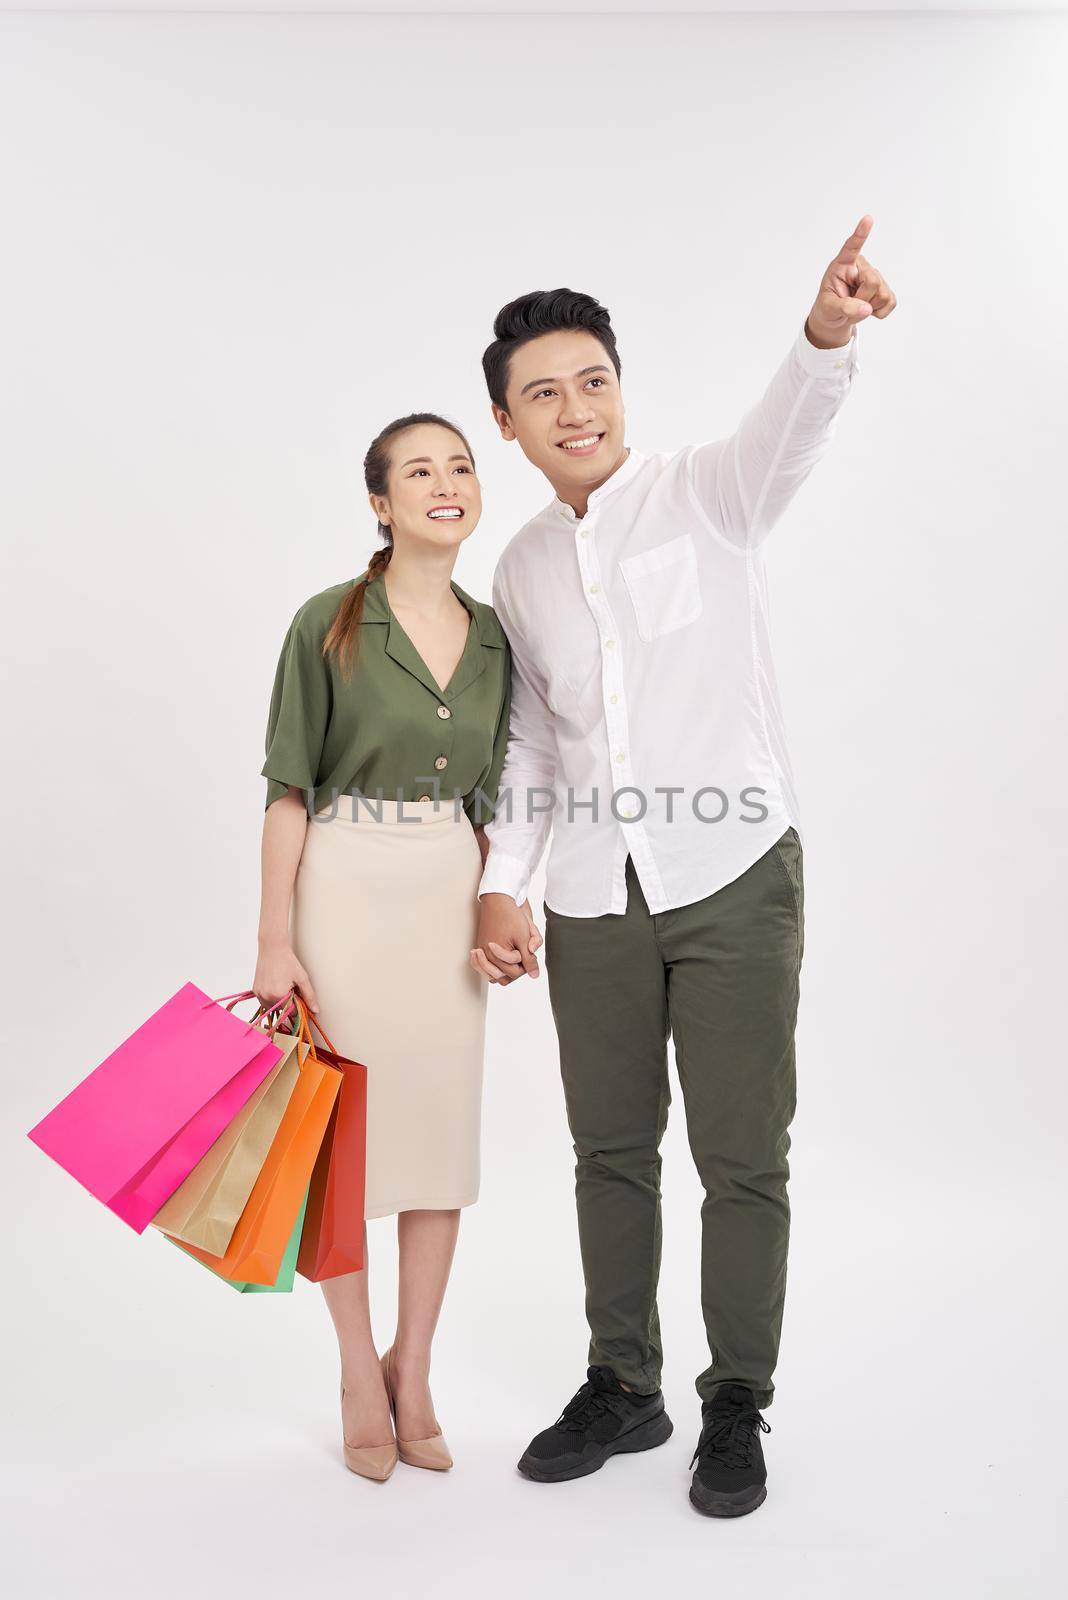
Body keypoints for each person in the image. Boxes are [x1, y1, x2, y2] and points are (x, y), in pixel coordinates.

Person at [469, 219, 896, 1515]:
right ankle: (625, 1385)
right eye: (542, 391)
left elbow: (789, 431)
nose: (574, 407)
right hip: (594, 897)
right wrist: (506, 876)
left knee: (742, 1157)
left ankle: (735, 1405)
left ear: (618, 390)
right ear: (508, 423)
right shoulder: (522, 566)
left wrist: (825, 329)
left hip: (732, 875)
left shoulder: (706, 494)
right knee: (609, 1151)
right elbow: (538, 739)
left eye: (591, 380)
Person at [252, 412, 534, 1482]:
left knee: (437, 1142)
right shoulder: (326, 623)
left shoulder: (499, 633)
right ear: (381, 503)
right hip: (344, 886)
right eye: (420, 470)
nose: (446, 483)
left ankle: (412, 1367)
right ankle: (352, 1370)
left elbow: (508, 794)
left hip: (447, 890)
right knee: (343, 1148)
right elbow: (287, 789)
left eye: (461, 465)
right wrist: (274, 942)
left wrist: (505, 899)